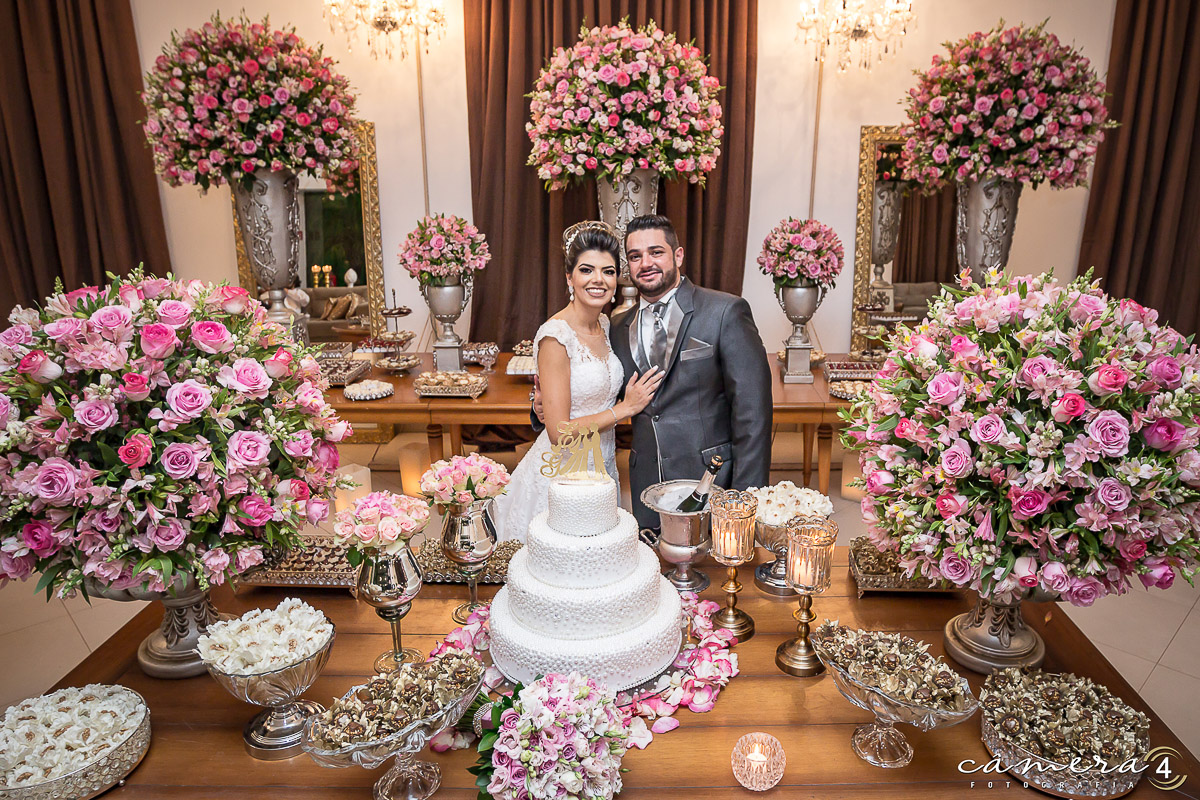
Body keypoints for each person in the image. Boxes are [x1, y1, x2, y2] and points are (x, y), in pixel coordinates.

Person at [490, 222, 664, 542]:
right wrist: (624, 409)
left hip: (602, 464)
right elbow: (558, 433)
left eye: (608, 271)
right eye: (587, 270)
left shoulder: (605, 325)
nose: (598, 280)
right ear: (569, 277)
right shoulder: (556, 336)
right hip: (562, 474)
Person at [611, 214, 773, 531]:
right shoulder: (618, 326)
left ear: (678, 255)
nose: (645, 263)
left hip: (711, 482)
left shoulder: (725, 311)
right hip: (646, 485)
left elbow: (753, 412)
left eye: (656, 252)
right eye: (635, 256)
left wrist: (742, 500)